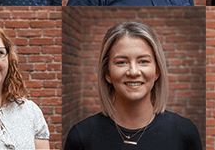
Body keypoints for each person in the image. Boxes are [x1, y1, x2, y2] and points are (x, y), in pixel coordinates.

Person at [64, 21, 202, 150]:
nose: (133, 72)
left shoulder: (185, 133)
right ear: (107, 73)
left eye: (143, 61)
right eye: (121, 62)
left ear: (157, 71)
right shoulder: (81, 137)